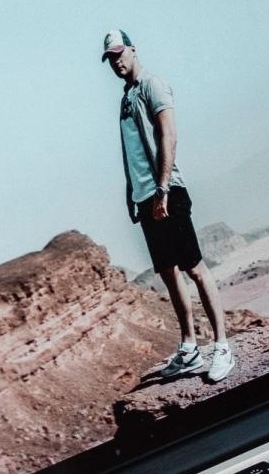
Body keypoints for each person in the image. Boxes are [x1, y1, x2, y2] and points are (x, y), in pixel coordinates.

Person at [101, 29, 236, 383]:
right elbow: (132, 151)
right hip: (146, 198)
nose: (116, 61)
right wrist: (135, 195)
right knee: (167, 272)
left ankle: (222, 346)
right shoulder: (126, 97)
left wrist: (162, 191)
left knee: (194, 267)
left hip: (167, 192)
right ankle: (190, 347)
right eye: (110, 58)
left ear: (132, 49)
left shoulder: (152, 85)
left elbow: (169, 135)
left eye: (119, 53)